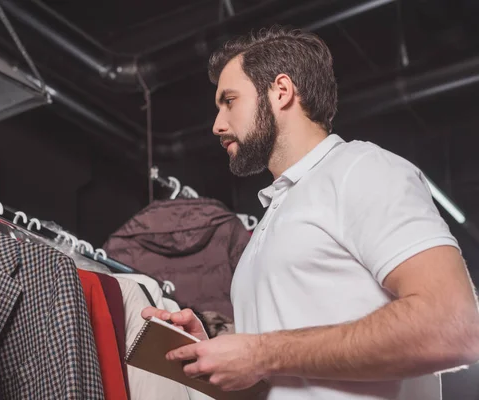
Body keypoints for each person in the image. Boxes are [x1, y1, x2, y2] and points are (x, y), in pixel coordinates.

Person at [142, 25, 479, 400]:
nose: (217, 124)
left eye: (230, 101)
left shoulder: (361, 168)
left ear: (281, 92)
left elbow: (452, 325)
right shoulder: (273, 216)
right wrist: (218, 351)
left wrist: (260, 353)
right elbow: (290, 376)